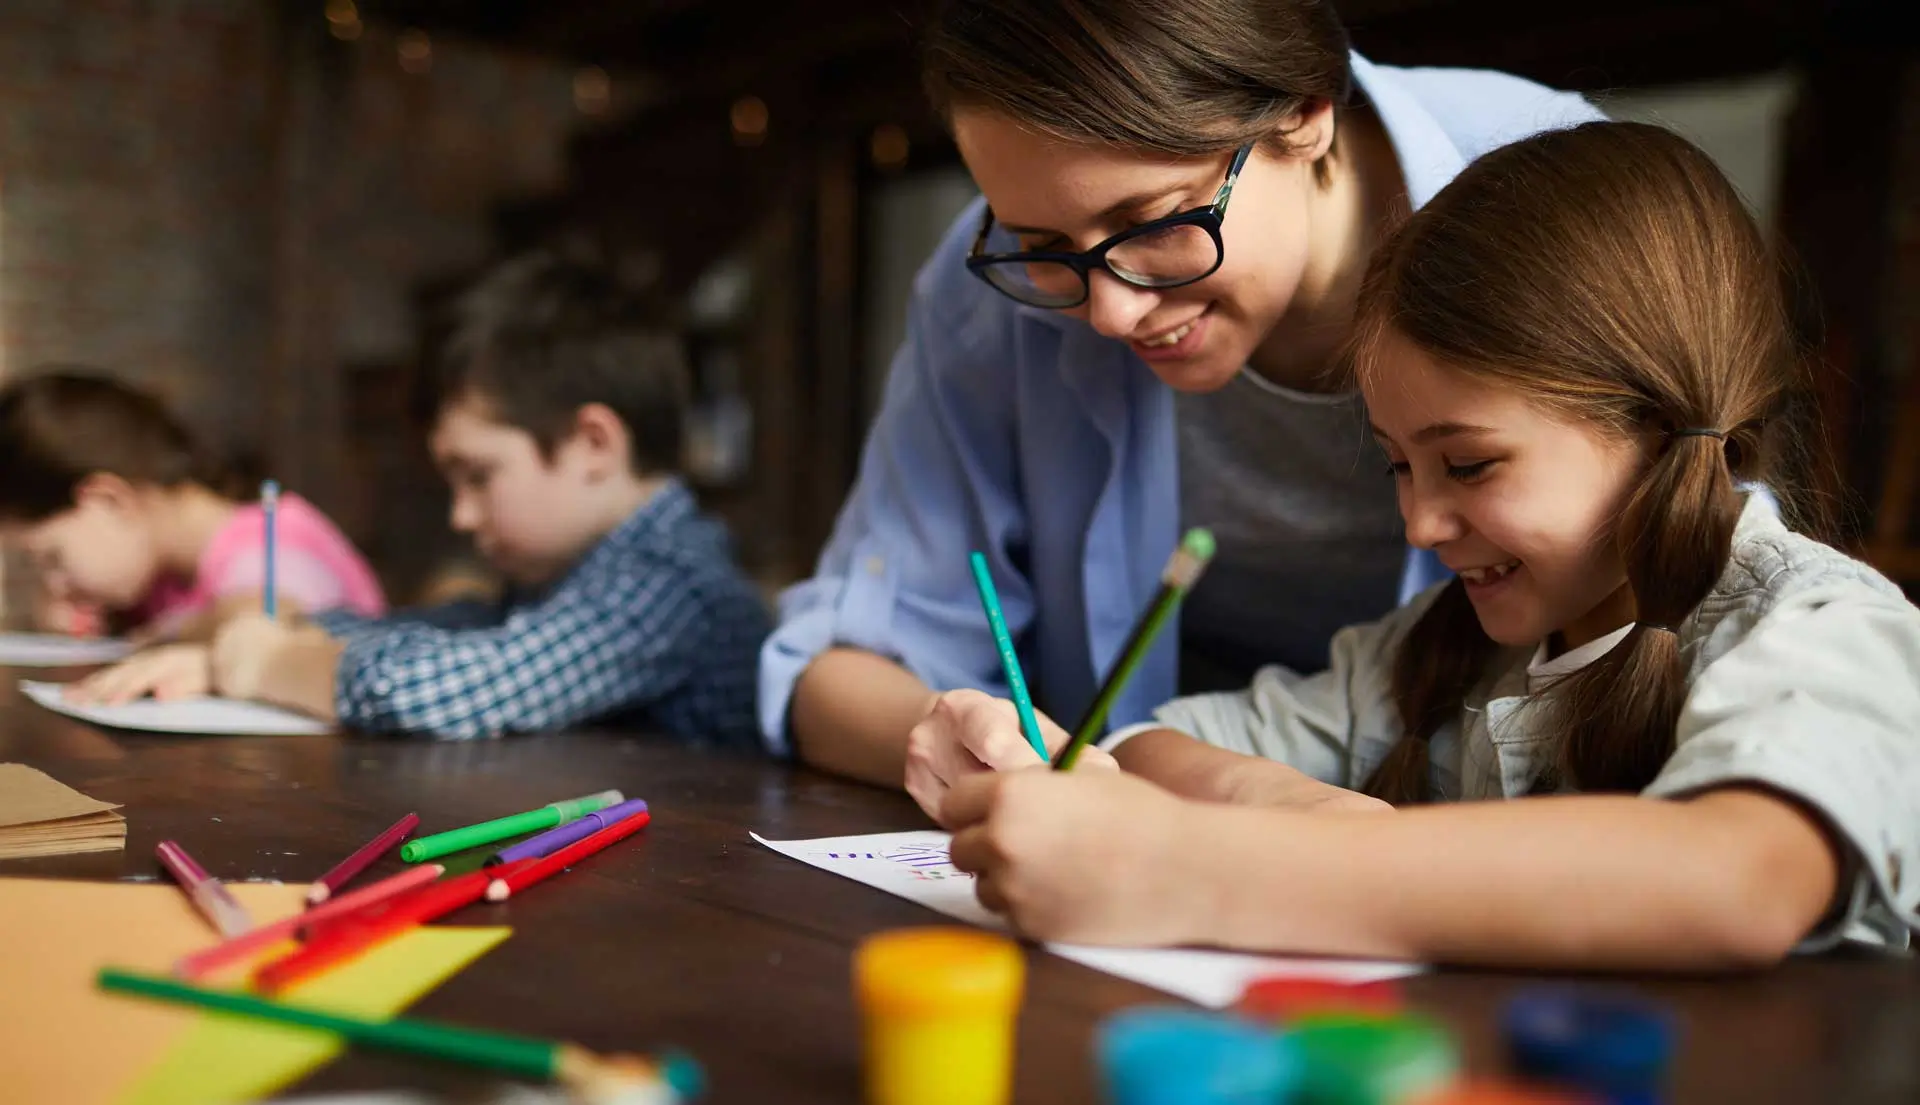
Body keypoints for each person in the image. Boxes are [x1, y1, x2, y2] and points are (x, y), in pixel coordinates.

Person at [903, 122, 1920, 967]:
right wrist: (1296, 805)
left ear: (1657, 429)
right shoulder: (1430, 648)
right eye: (1398, 465)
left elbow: (1736, 880)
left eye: (1469, 464)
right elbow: (1155, 745)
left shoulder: (1824, 629)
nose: (1420, 525)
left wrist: (1193, 869)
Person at [762, 0, 1603, 782]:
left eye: (1154, 221)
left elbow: (1705, 622)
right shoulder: (990, 284)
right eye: (1045, 242)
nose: (1110, 312)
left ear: (1306, 113)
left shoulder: (1572, 203)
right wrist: (974, 744)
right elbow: (829, 671)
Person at [179, 248, 767, 744]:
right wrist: (289, 629)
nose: (460, 516)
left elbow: (445, 688)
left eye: (479, 476)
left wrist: (268, 663)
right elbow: (449, 631)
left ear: (593, 445)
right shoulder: (579, 569)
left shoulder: (666, 585)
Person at [0, 369, 385, 701]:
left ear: (109, 500)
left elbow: (268, 618)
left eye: (53, 559)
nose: (56, 585)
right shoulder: (158, 576)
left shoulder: (275, 540)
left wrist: (151, 637)